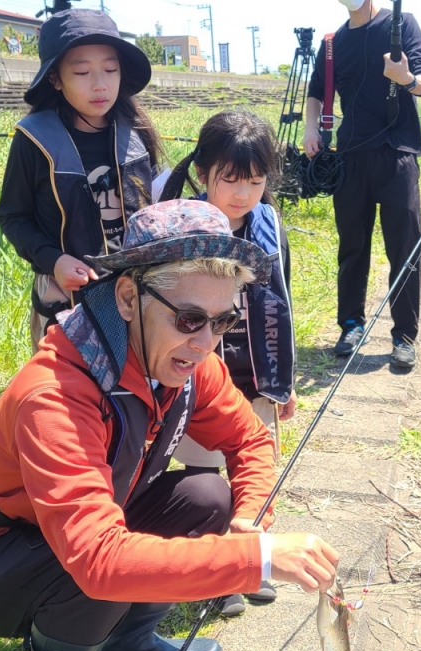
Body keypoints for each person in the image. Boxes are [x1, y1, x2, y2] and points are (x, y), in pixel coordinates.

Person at [0, 200, 341, 651]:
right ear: (125, 297)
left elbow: (250, 440)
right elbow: (98, 560)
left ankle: (126, 648)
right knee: (101, 564)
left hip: (68, 534)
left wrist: (250, 520)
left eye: (222, 321)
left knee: (208, 497)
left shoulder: (187, 361)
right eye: (188, 318)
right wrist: (262, 560)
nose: (205, 343)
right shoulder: (55, 394)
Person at [160, 110, 299, 617]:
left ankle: (253, 561)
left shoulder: (269, 222)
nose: (243, 195)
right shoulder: (182, 222)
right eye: (231, 180)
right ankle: (217, 573)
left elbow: (283, 300)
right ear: (203, 173)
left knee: (257, 466)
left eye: (256, 182)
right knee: (207, 473)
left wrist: (285, 382)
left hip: (256, 370)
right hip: (199, 372)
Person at [0, 8, 163, 353]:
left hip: (138, 292)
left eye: (110, 69)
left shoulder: (137, 131)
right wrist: (53, 261)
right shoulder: (34, 139)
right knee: (72, 395)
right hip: (67, 297)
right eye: (82, 71)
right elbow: (12, 216)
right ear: (55, 78)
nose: (100, 84)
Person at [303, 0, 421, 372]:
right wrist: (312, 127)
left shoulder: (402, 23)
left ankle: (404, 336)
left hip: (397, 155)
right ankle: (350, 325)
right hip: (351, 157)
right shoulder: (331, 43)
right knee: (352, 248)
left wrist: (405, 79)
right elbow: (315, 91)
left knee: (404, 250)